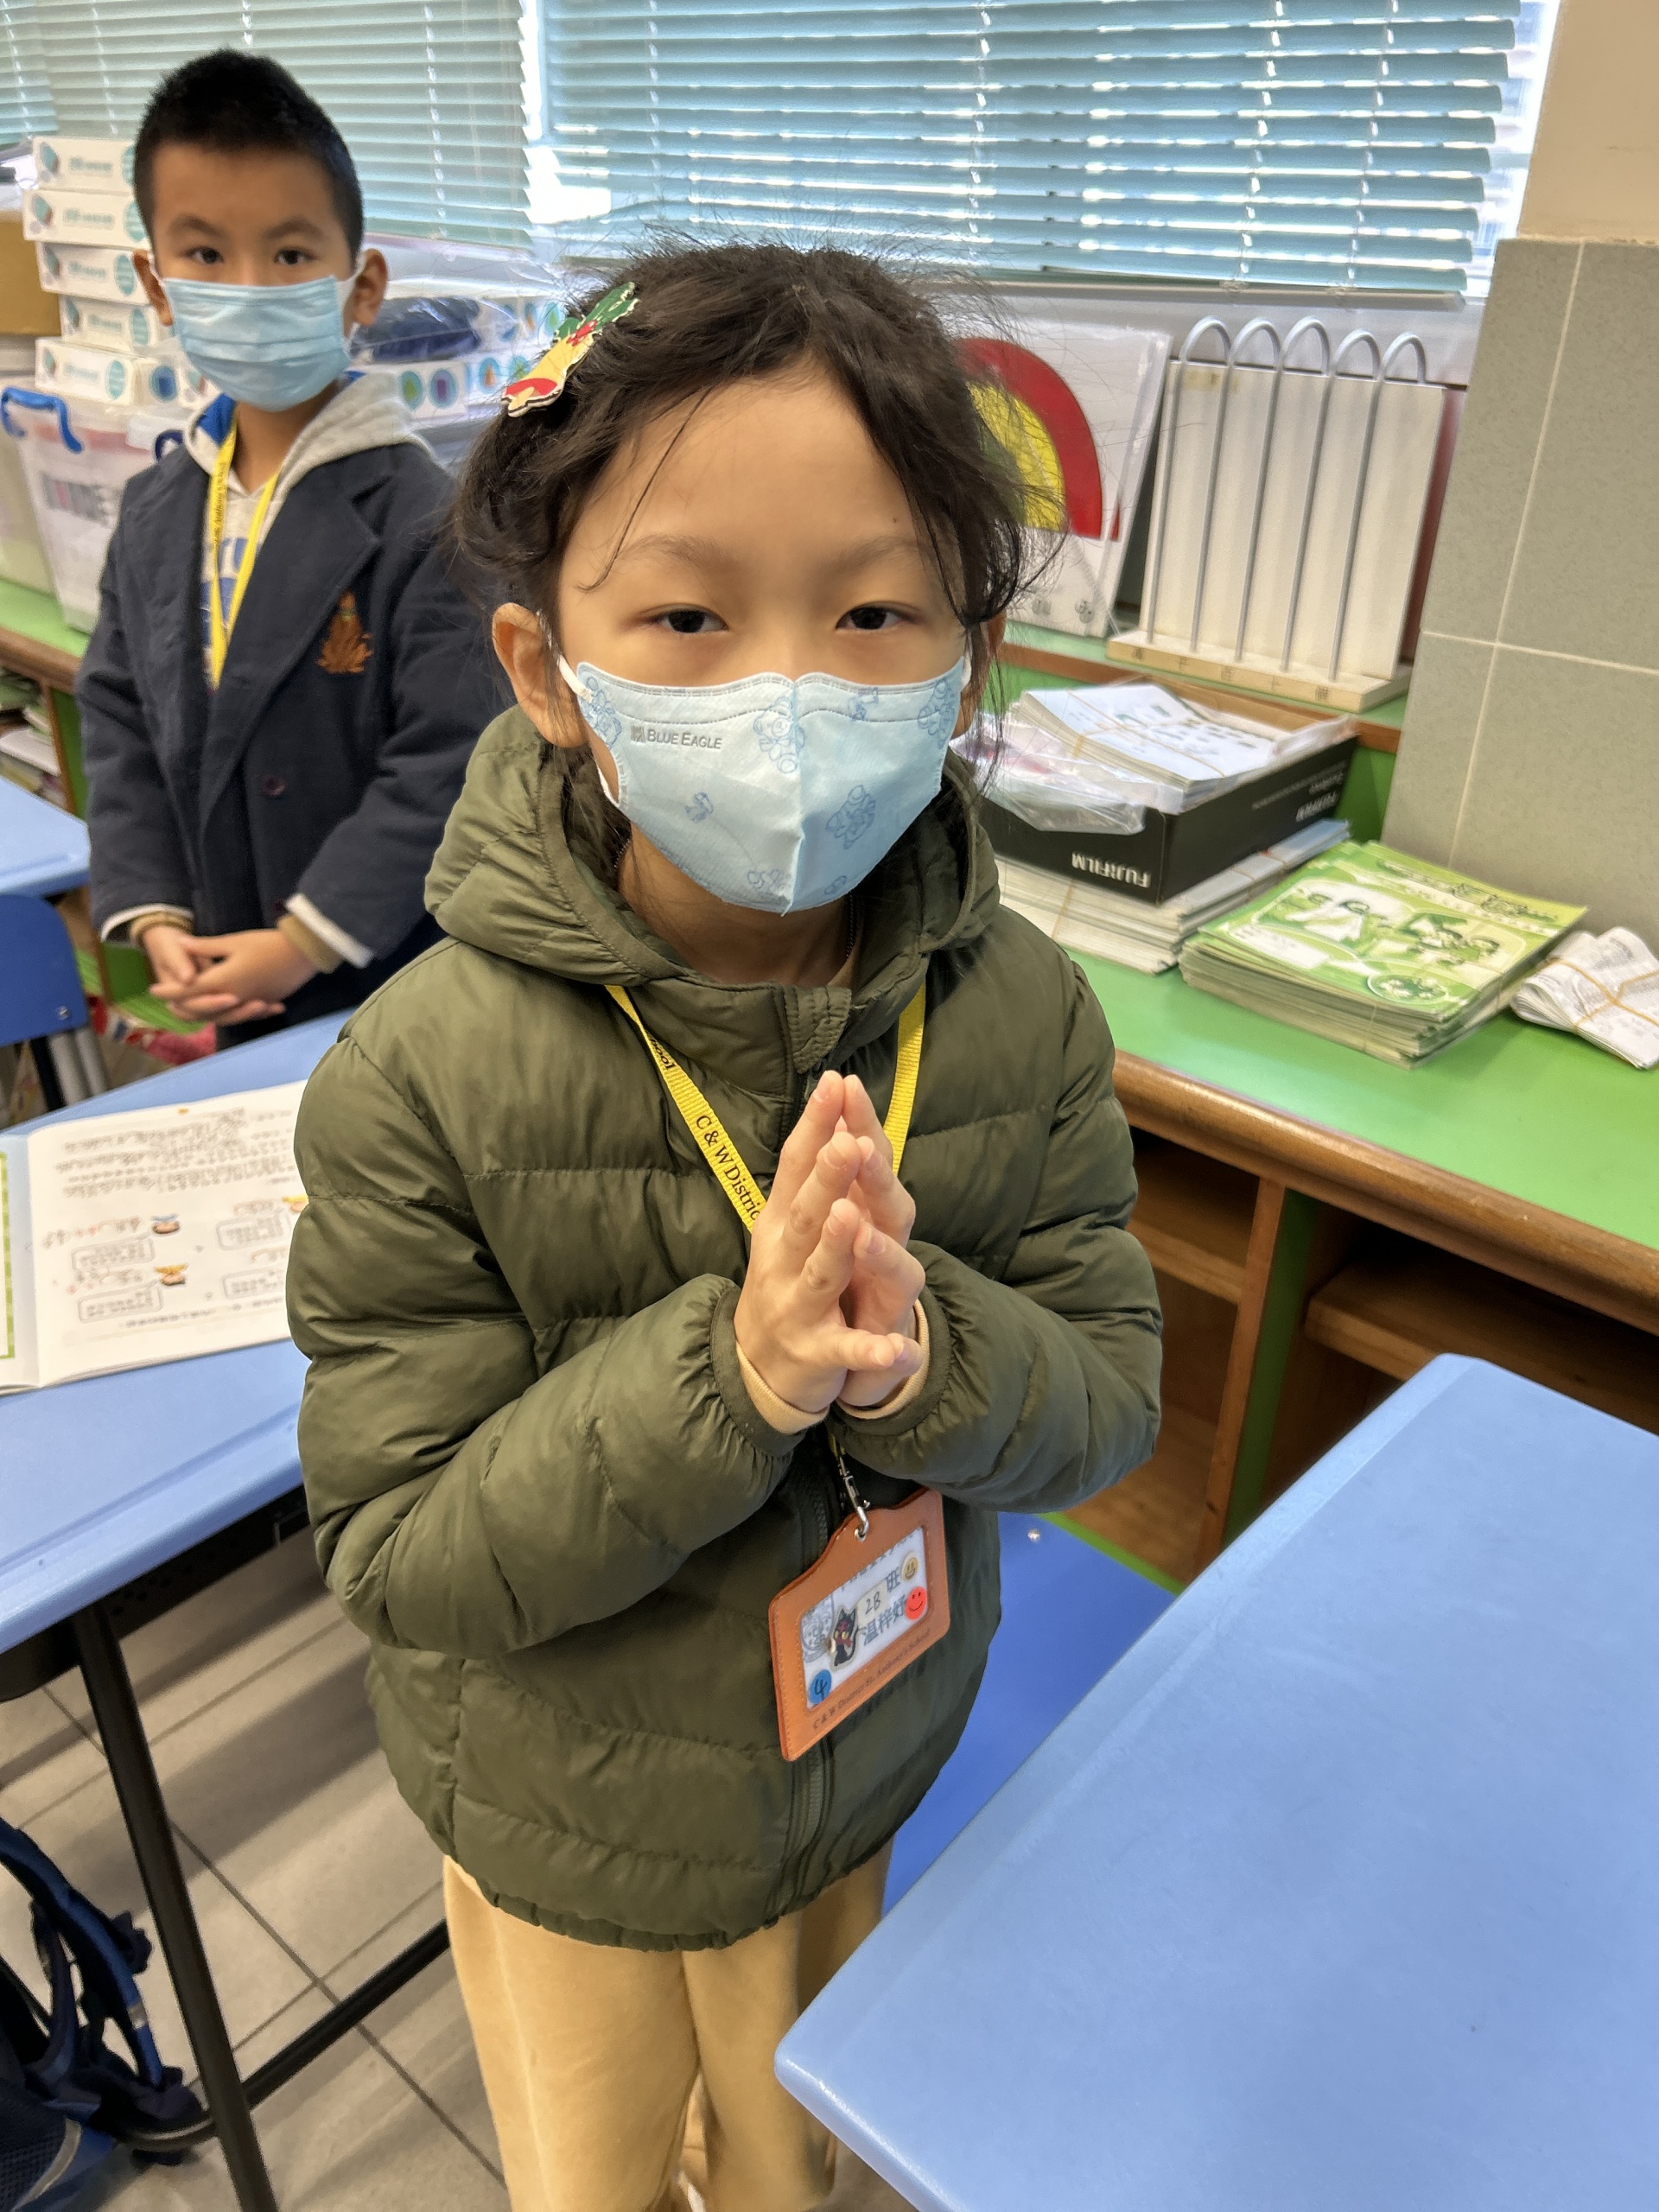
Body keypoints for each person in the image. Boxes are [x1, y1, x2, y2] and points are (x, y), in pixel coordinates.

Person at [286, 244, 1163, 2212]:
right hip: (572, 1827)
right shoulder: (420, 1074)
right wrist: (735, 1376)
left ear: (966, 661)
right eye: (686, 614)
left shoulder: (1020, 1013)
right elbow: (405, 1552)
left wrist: (930, 1352)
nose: (786, 688)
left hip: (864, 1751)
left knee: (798, 2168)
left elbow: (1108, 1398)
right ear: (548, 674)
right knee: (594, 2177)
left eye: (873, 610)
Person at [78, 48, 498, 1033]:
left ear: (362, 285)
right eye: (205, 255)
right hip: (230, 948)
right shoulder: (153, 509)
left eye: (292, 255)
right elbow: (119, 715)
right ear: (155, 283)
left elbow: (453, 755)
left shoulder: (427, 517)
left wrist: (307, 938)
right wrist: (155, 907)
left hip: (392, 974)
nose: (251, 289)